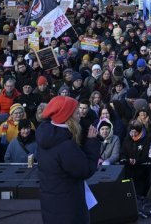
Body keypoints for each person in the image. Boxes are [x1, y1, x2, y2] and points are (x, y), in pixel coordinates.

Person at [36, 95, 101, 224]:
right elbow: (85, 170)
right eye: (76, 113)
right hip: (68, 208)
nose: (80, 116)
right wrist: (92, 142)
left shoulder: (47, 136)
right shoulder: (65, 145)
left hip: (52, 204)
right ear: (68, 117)